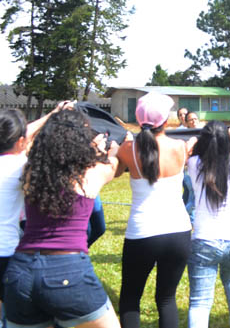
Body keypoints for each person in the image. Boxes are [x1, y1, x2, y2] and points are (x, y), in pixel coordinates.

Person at [3, 109, 120, 328]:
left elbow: (22, 140)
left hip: (20, 270)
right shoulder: (95, 172)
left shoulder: (29, 171)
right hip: (68, 268)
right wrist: (110, 148)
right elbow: (115, 160)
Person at [115, 92, 192, 328]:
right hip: (179, 231)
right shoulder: (180, 147)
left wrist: (123, 143)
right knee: (167, 298)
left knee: (130, 299)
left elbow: (116, 172)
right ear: (166, 121)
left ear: (139, 121)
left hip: (142, 233)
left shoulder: (128, 149)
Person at [0, 102, 72, 323]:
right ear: (21, 141)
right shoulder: (23, 166)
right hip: (7, 251)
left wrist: (50, 114)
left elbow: (16, 135)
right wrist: (54, 115)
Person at [186, 121, 230, 328]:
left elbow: (189, 152)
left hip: (205, 240)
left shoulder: (194, 164)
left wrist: (196, 140)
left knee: (200, 303)